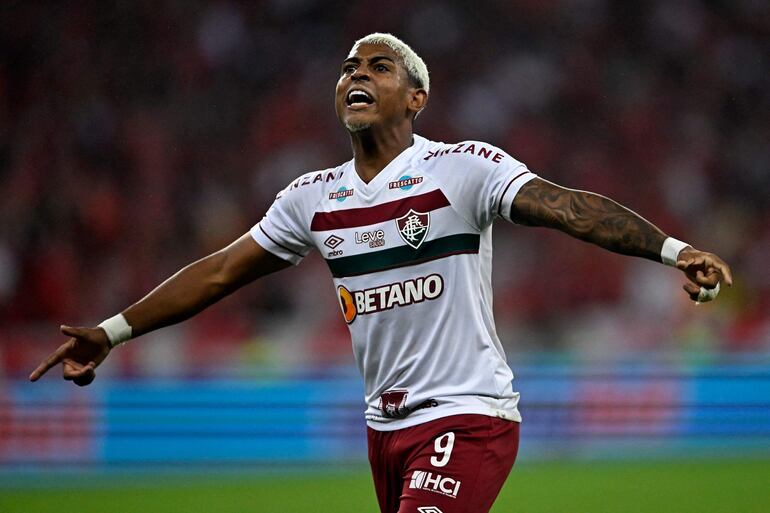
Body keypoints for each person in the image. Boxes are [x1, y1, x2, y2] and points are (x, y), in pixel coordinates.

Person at [30, 33, 733, 513]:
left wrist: (673, 250)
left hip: (468, 414)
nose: (355, 76)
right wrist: (114, 330)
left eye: (377, 67)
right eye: (347, 69)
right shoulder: (310, 196)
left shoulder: (463, 167)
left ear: (416, 97)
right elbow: (218, 273)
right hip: (384, 428)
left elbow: (567, 207)